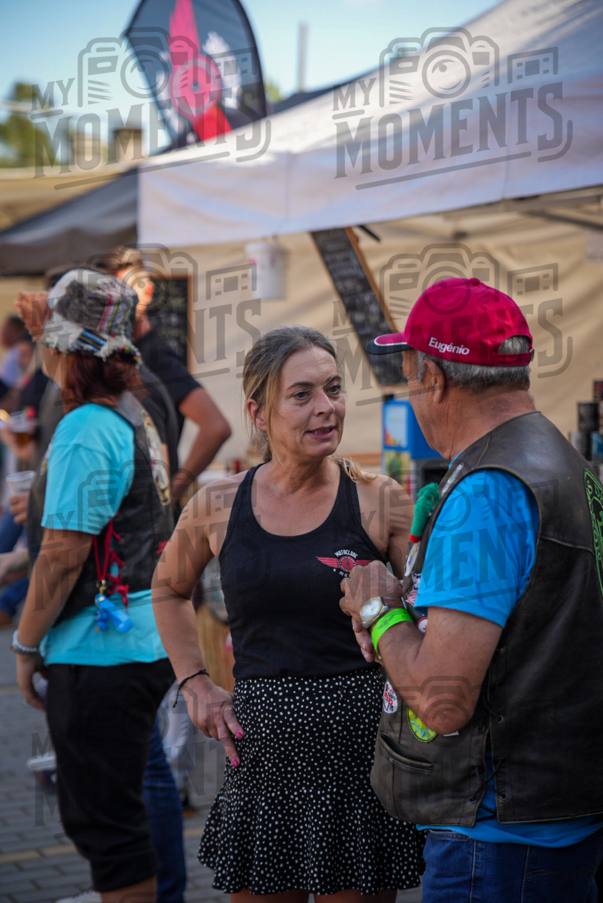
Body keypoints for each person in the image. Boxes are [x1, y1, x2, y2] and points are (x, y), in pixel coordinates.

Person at [340, 276, 603, 903]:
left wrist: (377, 607)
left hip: (501, 838)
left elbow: (442, 697)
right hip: (553, 816)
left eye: (408, 375)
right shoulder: (565, 461)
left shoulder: (488, 489)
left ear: (434, 377)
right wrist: (402, 617)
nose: (412, 393)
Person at [152, 325, 424, 901]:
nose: (326, 408)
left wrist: (395, 600)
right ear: (259, 411)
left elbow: (433, 613)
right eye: (302, 395)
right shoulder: (219, 505)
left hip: (361, 763)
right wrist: (195, 684)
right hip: (264, 763)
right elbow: (169, 591)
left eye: (333, 389)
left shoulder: (379, 500)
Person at [12, 268, 175, 903]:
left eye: (48, 336)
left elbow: (62, 553)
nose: (41, 348)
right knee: (123, 813)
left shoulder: (85, 429)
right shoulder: (130, 412)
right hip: (139, 638)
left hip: (97, 651)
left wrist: (26, 648)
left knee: (107, 826)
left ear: (64, 348)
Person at [106, 246, 231, 502]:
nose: (116, 301)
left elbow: (216, 426)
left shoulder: (155, 356)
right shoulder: (125, 351)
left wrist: (172, 493)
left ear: (147, 291)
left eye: (124, 289)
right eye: (108, 292)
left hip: (150, 517)